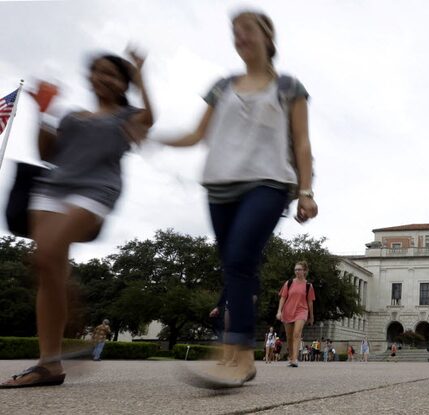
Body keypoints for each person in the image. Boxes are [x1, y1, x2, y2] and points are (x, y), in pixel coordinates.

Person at [161, 10, 316, 387]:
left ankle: (239, 355)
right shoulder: (223, 85)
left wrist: (306, 191)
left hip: (269, 182)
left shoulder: (289, 87)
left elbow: (301, 142)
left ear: (267, 36)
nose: (240, 37)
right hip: (220, 185)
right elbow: (197, 134)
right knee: (234, 267)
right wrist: (151, 134)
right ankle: (235, 354)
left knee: (241, 257)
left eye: (247, 29)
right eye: (234, 32)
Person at [1, 51, 154, 389]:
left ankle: (76, 317)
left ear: (123, 83)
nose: (103, 78)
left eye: (112, 74)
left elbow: (150, 118)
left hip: (95, 191)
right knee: (49, 269)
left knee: (44, 255)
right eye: (98, 72)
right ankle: (48, 365)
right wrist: (42, 112)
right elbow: (46, 152)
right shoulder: (73, 116)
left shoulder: (127, 116)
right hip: (50, 190)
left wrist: (141, 75)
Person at [277, 261, 316, 368]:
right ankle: (291, 357)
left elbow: (310, 302)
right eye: (296, 269)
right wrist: (279, 311)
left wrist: (311, 316)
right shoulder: (288, 283)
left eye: (299, 269)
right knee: (289, 337)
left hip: (302, 311)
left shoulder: (308, 286)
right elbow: (283, 297)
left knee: (297, 334)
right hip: (288, 311)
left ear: (305, 271)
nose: (297, 271)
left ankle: (295, 359)